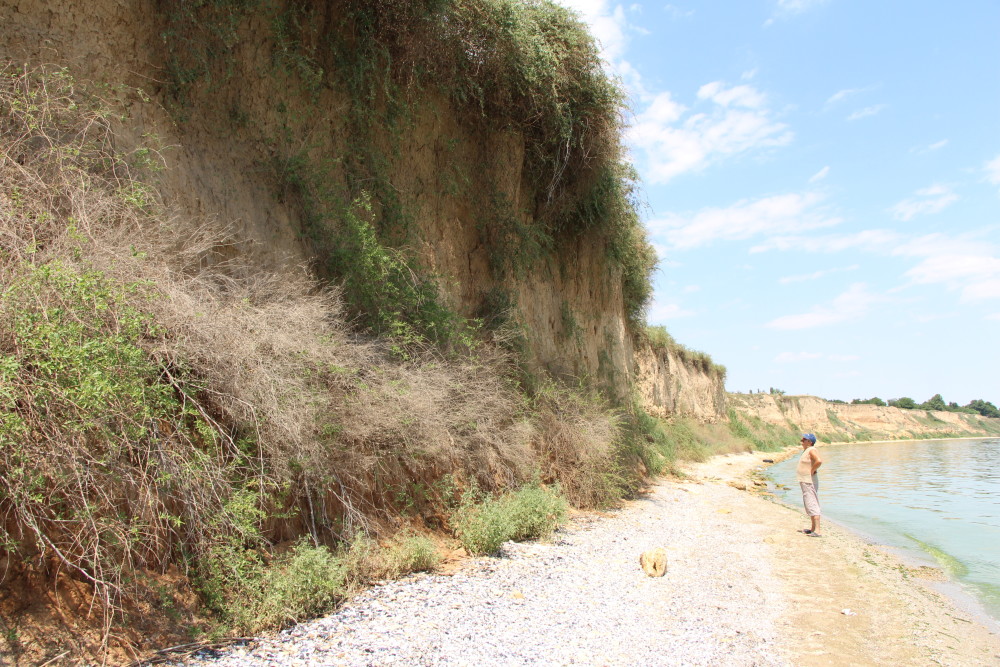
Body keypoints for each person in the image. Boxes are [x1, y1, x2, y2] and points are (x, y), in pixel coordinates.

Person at [796, 433, 823, 537]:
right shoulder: (807, 450)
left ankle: (817, 531)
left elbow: (819, 461)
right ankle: (812, 529)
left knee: (812, 502)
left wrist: (812, 471)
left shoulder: (812, 450)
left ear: (810, 442)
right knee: (809, 502)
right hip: (806, 481)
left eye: (804, 439)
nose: (802, 441)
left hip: (809, 481)